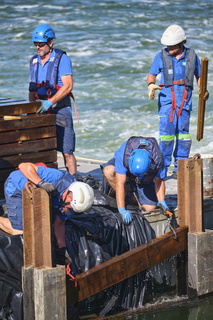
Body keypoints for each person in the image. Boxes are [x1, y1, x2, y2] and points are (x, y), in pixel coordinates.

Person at [147, 25, 208, 179]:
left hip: (185, 102)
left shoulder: (192, 56)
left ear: (181, 43)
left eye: (172, 46)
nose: (169, 48)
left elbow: (200, 77)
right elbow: (151, 75)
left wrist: (203, 90)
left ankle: (180, 170)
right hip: (167, 102)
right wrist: (150, 85)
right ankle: (162, 171)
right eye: (167, 45)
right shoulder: (161, 56)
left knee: (183, 136)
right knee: (166, 136)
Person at [0, 163, 94, 261]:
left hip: (38, 197)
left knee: (48, 228)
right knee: (22, 232)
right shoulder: (55, 177)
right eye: (70, 206)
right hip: (17, 188)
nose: (69, 209)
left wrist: (63, 249)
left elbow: (59, 224)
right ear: (69, 195)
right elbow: (23, 166)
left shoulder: (73, 204)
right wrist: (41, 183)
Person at [29, 24, 77, 175]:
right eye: (36, 44)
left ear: (50, 43)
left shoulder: (62, 59)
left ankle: (73, 181)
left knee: (67, 150)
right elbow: (32, 89)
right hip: (41, 109)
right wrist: (32, 110)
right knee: (44, 149)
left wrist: (51, 102)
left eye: (41, 44)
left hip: (60, 108)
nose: (38, 47)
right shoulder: (34, 61)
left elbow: (68, 86)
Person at [103, 136, 170, 224]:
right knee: (109, 171)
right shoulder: (124, 154)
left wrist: (162, 201)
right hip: (127, 171)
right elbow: (120, 183)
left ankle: (135, 197)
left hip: (145, 177)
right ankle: (126, 195)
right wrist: (122, 209)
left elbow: (159, 181)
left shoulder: (158, 159)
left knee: (150, 208)